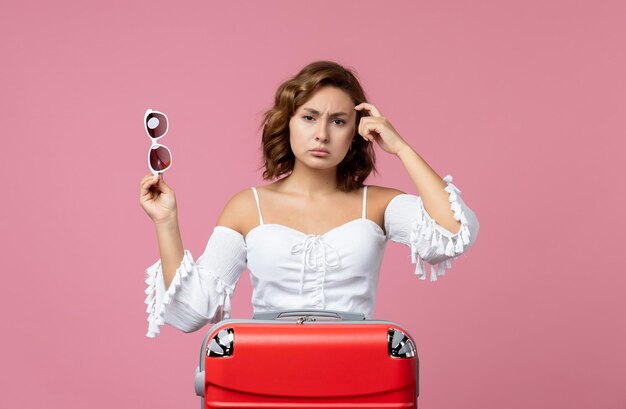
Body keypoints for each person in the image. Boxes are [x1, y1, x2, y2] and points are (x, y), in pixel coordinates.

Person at [139, 60, 479, 338]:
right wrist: (166, 222)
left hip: (357, 374)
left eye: (338, 121)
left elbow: (454, 231)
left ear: (357, 131)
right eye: (309, 117)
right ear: (287, 123)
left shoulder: (378, 205)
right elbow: (192, 311)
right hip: (267, 376)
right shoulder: (247, 206)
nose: (322, 134)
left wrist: (401, 148)